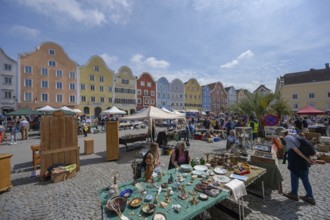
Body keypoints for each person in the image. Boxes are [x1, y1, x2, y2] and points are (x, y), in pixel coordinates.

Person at [281, 129, 316, 205]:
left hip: (297, 162)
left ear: (283, 134)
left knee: (294, 177)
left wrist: (307, 159)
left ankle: (294, 194)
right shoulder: (294, 135)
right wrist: (308, 159)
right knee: (305, 179)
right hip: (303, 162)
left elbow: (297, 151)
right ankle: (310, 197)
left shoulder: (287, 138)